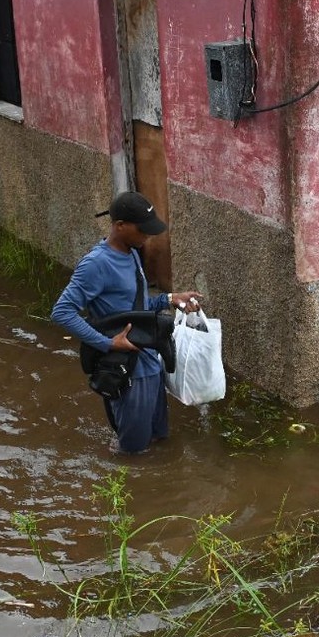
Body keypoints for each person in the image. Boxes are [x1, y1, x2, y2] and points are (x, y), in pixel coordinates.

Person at [51, 191, 203, 454]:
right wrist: (108, 343)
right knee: (132, 454)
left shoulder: (131, 252)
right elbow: (62, 312)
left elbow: (137, 305)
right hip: (128, 372)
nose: (148, 236)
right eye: (142, 230)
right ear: (120, 226)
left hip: (149, 365)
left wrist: (169, 298)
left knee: (158, 439)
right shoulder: (96, 264)